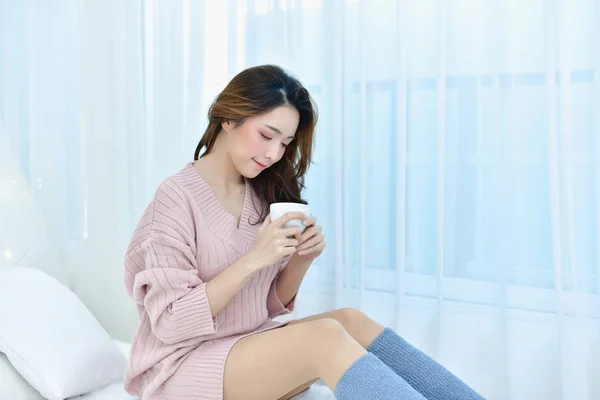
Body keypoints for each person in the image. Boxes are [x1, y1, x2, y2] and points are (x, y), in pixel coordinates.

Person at [123, 65, 484, 400]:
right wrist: (253, 260)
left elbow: (262, 305)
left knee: (347, 320)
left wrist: (300, 260)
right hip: (182, 366)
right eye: (267, 135)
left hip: (242, 348)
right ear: (229, 117)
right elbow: (170, 323)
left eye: (284, 144)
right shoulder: (174, 199)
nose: (274, 154)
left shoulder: (259, 194)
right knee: (323, 337)